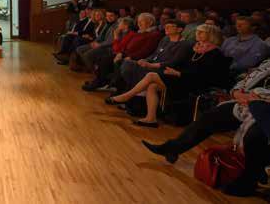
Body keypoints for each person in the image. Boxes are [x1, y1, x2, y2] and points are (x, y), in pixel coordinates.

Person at [142, 58, 270, 197]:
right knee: (210, 117)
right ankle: (173, 148)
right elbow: (245, 81)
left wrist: (259, 98)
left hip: (263, 107)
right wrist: (237, 93)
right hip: (248, 102)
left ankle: (249, 181)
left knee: (254, 135)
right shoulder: (267, 63)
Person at [106, 24, 230, 128]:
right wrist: (176, 71)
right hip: (184, 78)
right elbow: (184, 65)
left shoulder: (215, 53)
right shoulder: (196, 48)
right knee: (152, 86)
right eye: (197, 31)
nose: (197, 34)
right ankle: (151, 118)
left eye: (201, 32)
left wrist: (178, 73)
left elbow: (205, 75)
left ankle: (126, 96)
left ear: (211, 35)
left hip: (198, 84)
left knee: (151, 75)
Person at [118, 19, 194, 89]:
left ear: (179, 29)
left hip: (164, 69)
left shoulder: (184, 44)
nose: (166, 28)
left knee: (135, 69)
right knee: (127, 63)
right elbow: (155, 54)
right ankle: (130, 89)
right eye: (165, 26)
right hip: (153, 64)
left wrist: (151, 65)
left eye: (170, 26)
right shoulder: (165, 39)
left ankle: (132, 91)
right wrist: (145, 60)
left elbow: (173, 62)